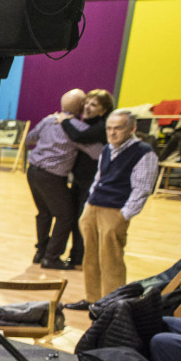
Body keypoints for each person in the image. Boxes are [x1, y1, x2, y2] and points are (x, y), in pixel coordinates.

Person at [66, 110, 160, 308]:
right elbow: (99, 177)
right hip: (93, 207)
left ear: (132, 129)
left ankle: (112, 304)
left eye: (118, 128)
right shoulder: (107, 149)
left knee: (111, 259)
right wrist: (89, 202)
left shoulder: (144, 152)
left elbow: (142, 189)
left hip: (115, 210)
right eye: (109, 128)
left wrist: (123, 215)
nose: (112, 133)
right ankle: (93, 299)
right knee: (90, 256)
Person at [25, 89, 87, 269]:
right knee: (66, 216)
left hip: (33, 172)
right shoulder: (79, 128)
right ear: (81, 107)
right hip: (52, 176)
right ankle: (51, 257)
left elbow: (29, 139)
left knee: (44, 213)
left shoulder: (48, 120)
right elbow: (96, 152)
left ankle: (41, 252)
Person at [63, 88, 114, 266]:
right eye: (87, 103)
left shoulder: (103, 126)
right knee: (77, 218)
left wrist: (64, 120)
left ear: (104, 110)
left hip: (92, 182)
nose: (88, 107)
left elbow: (79, 136)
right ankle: (77, 255)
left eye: (94, 104)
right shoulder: (91, 123)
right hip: (80, 179)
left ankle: (80, 257)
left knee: (84, 221)